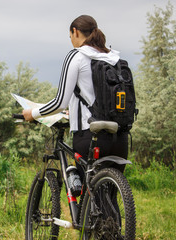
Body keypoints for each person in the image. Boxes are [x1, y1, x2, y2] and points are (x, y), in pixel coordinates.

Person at [22, 15, 128, 166]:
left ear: (75, 31)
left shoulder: (77, 56)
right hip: (120, 136)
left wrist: (32, 114)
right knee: (109, 189)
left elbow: (59, 103)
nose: (71, 40)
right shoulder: (113, 57)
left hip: (90, 134)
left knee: (84, 188)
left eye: (70, 36)